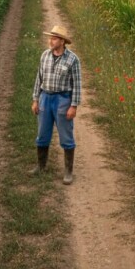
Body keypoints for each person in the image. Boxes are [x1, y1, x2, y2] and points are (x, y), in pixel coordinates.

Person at [31, 25, 81, 185]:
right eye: (50, 37)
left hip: (62, 100)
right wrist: (35, 99)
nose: (50, 40)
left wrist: (73, 106)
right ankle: (41, 166)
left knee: (66, 136)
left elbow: (77, 85)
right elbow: (39, 79)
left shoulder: (73, 59)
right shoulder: (45, 55)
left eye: (53, 38)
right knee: (42, 134)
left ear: (62, 41)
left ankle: (68, 172)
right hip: (45, 97)